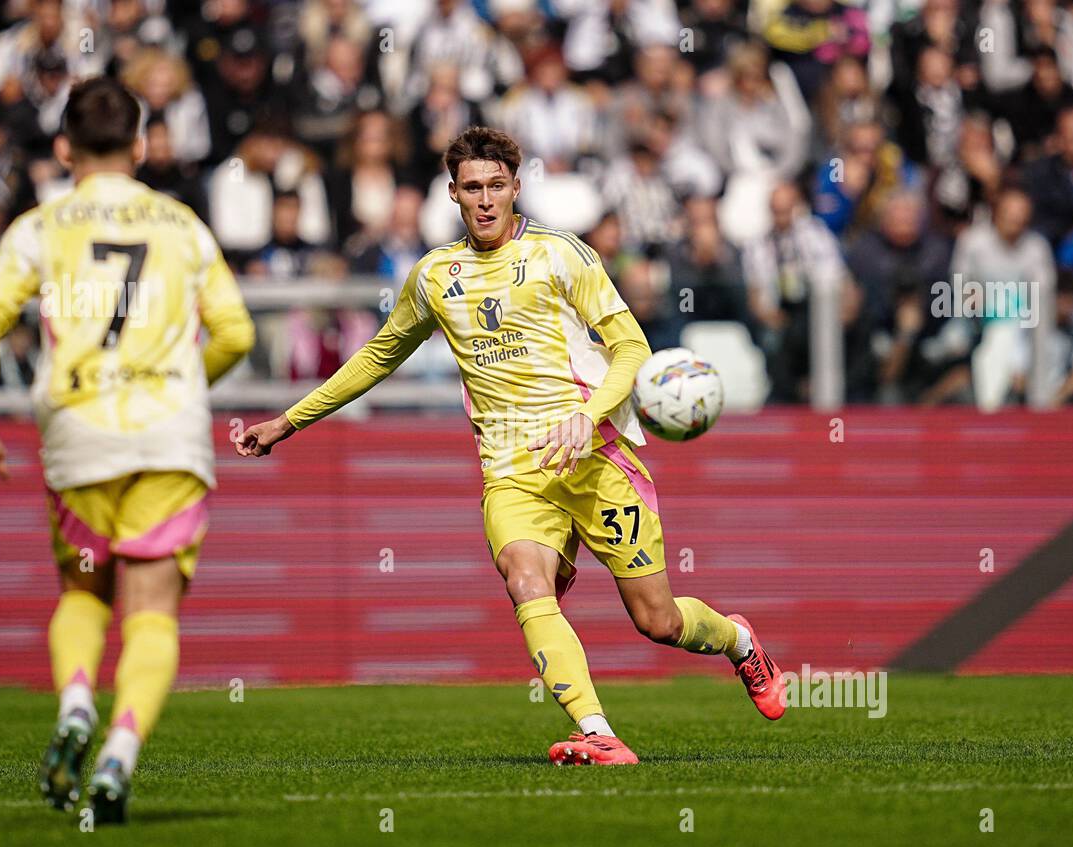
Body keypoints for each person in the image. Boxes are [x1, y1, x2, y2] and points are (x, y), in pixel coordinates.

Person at [235, 126, 784, 765]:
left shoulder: (562, 255)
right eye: (473, 188)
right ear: (453, 194)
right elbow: (379, 356)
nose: (487, 199)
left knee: (656, 621)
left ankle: (739, 641)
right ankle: (598, 732)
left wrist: (587, 415)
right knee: (527, 580)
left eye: (497, 185)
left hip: (595, 456)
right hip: (512, 468)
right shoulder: (436, 276)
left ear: (516, 187)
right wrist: (290, 421)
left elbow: (632, 347)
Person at [0, 77, 255, 822]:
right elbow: (238, 334)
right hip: (168, 434)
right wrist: (186, 381)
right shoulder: (181, 223)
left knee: (83, 591)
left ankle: (78, 705)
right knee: (153, 612)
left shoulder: (39, 225)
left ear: (62, 148)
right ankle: (119, 753)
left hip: (77, 431)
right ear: (143, 145)